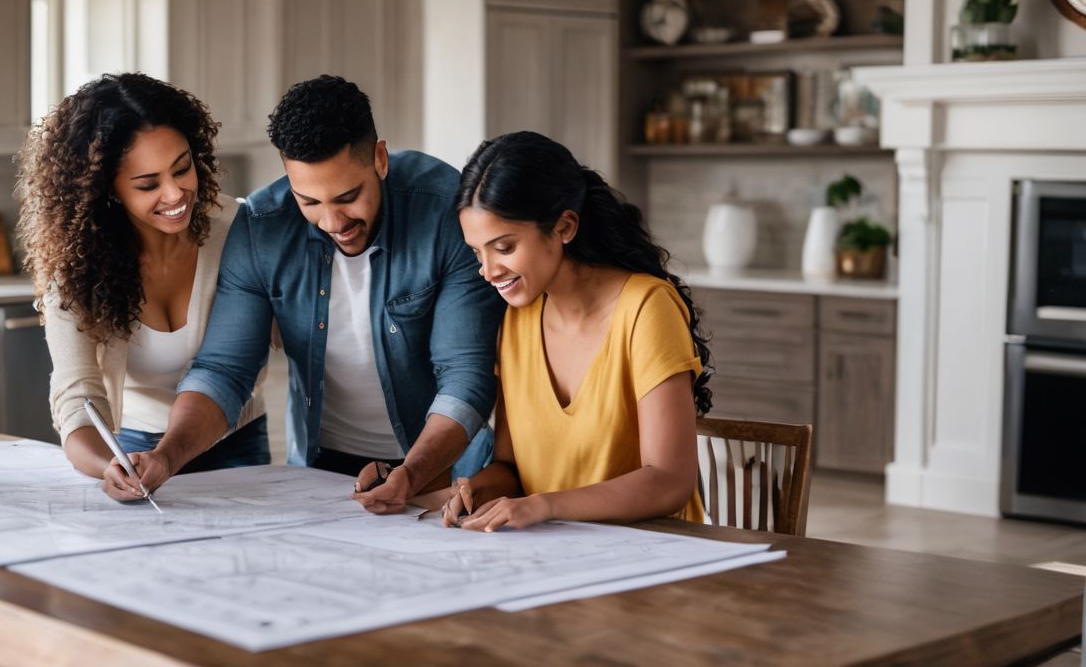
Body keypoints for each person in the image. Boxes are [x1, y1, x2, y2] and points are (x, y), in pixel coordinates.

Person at [102, 75, 504, 512]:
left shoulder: (445, 207)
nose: (332, 221)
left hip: (446, 468)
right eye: (308, 201)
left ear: (380, 160)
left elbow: (465, 372)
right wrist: (166, 456)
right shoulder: (262, 226)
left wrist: (412, 472)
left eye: (348, 196)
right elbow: (224, 370)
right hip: (321, 470)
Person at [440, 131, 712, 532]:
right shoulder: (518, 319)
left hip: (651, 555)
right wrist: (477, 489)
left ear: (564, 226)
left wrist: (544, 506)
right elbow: (511, 467)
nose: (488, 270)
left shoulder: (646, 308)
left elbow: (670, 481)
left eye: (504, 247)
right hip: (553, 554)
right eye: (477, 252)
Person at [14, 72, 268, 483]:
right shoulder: (77, 265)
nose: (174, 194)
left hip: (233, 439)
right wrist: (110, 468)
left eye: (182, 169)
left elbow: (229, 368)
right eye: (148, 184)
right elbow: (77, 397)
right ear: (108, 190)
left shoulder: (236, 231)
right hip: (132, 445)